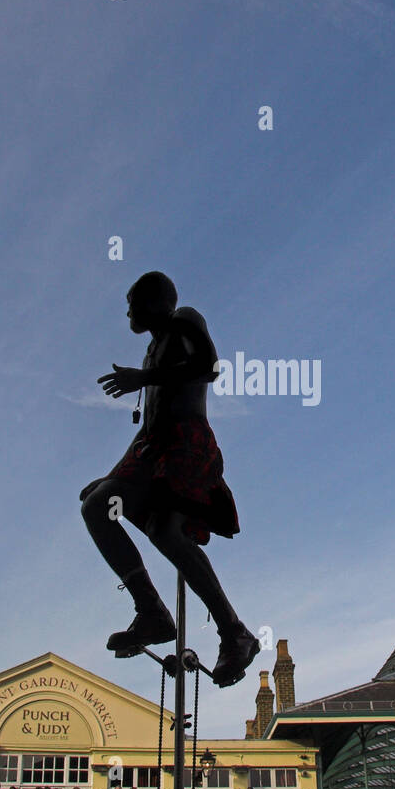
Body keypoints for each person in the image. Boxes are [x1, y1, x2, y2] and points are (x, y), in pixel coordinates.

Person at [80, 270, 259, 687]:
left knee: (159, 530)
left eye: (134, 301)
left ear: (159, 301)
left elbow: (208, 366)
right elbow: (148, 428)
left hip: (186, 444)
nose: (127, 311)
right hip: (153, 447)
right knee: (98, 502)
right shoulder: (150, 353)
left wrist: (143, 379)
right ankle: (173, 617)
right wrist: (113, 476)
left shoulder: (185, 320)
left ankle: (221, 629)